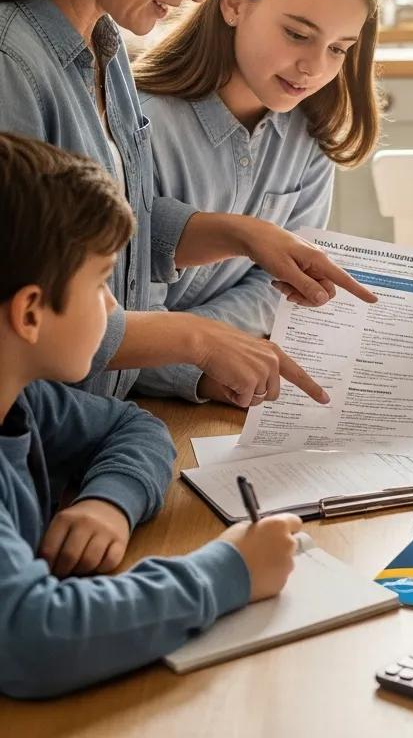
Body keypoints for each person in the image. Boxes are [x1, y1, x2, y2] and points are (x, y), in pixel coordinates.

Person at [0, 0, 373, 409]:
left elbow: (110, 239)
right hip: (41, 432)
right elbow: (23, 301)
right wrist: (196, 340)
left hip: (99, 418)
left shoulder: (104, 44)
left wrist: (237, 234)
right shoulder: (14, 63)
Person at [0, 131, 303, 699]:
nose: (115, 308)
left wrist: (109, 499)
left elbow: (133, 425)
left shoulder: (23, 397)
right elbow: (31, 638)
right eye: (100, 285)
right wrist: (229, 572)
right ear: (32, 312)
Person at [131, 0, 380, 404]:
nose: (312, 67)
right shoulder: (139, 126)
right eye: (297, 34)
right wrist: (204, 359)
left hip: (225, 382)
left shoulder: (310, 135)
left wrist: (218, 350)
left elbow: (282, 289)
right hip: (130, 402)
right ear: (235, 3)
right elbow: (116, 320)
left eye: (338, 48)